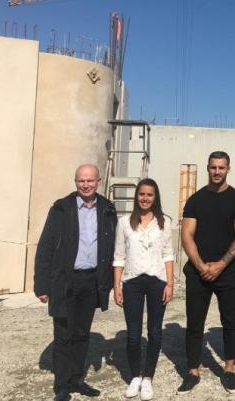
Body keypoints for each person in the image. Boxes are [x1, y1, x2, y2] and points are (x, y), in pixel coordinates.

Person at [34, 164, 118, 401]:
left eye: (90, 180)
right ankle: (62, 386)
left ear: (98, 181)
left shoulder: (107, 209)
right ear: (75, 182)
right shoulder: (61, 208)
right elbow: (46, 247)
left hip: (91, 281)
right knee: (63, 334)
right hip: (65, 280)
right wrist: (42, 285)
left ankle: (77, 378)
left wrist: (112, 281)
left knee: (82, 333)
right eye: (81, 180)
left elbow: (113, 247)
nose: (86, 185)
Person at [177, 151, 235, 395]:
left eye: (221, 167)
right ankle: (192, 371)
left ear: (228, 169)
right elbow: (186, 235)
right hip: (198, 273)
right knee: (194, 323)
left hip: (228, 273)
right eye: (212, 167)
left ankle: (229, 369)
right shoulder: (195, 200)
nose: (216, 171)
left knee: (230, 321)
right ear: (207, 169)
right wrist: (200, 266)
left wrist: (220, 264)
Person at [113, 178, 174, 400]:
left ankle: (148, 377)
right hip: (132, 282)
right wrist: (117, 285)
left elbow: (168, 253)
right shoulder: (124, 223)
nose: (145, 198)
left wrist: (170, 283)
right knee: (133, 334)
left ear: (155, 197)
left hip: (157, 280)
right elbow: (119, 256)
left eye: (149, 194)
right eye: (141, 194)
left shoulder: (164, 222)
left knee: (155, 332)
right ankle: (135, 375)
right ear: (136, 196)